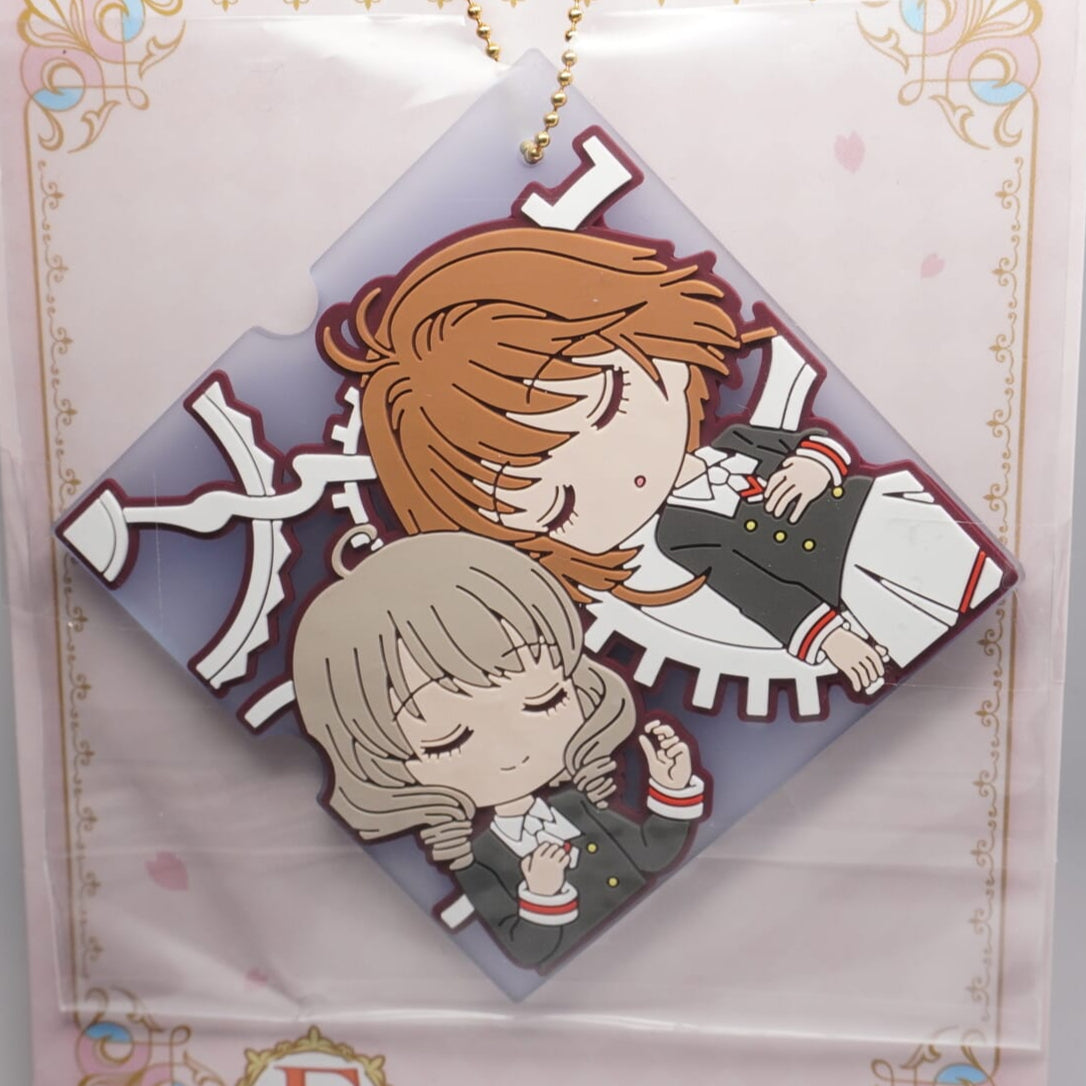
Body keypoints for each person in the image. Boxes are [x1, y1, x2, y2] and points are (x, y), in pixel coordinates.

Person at [318, 225, 1009, 697]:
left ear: (666, 351)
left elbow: (813, 446)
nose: (617, 470)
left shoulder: (736, 441)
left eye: (607, 403)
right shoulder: (681, 535)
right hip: (857, 579)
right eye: (559, 506)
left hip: (884, 512)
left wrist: (817, 465)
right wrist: (831, 641)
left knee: (963, 569)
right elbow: (759, 591)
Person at [291, 531, 706, 970]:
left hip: (684, 933)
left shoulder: (578, 804)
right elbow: (527, 949)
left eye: (545, 700)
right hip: (593, 978)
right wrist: (542, 894)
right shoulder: (477, 858)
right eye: (448, 742)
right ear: (385, 766)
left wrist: (671, 789)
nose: (513, 752)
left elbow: (653, 854)